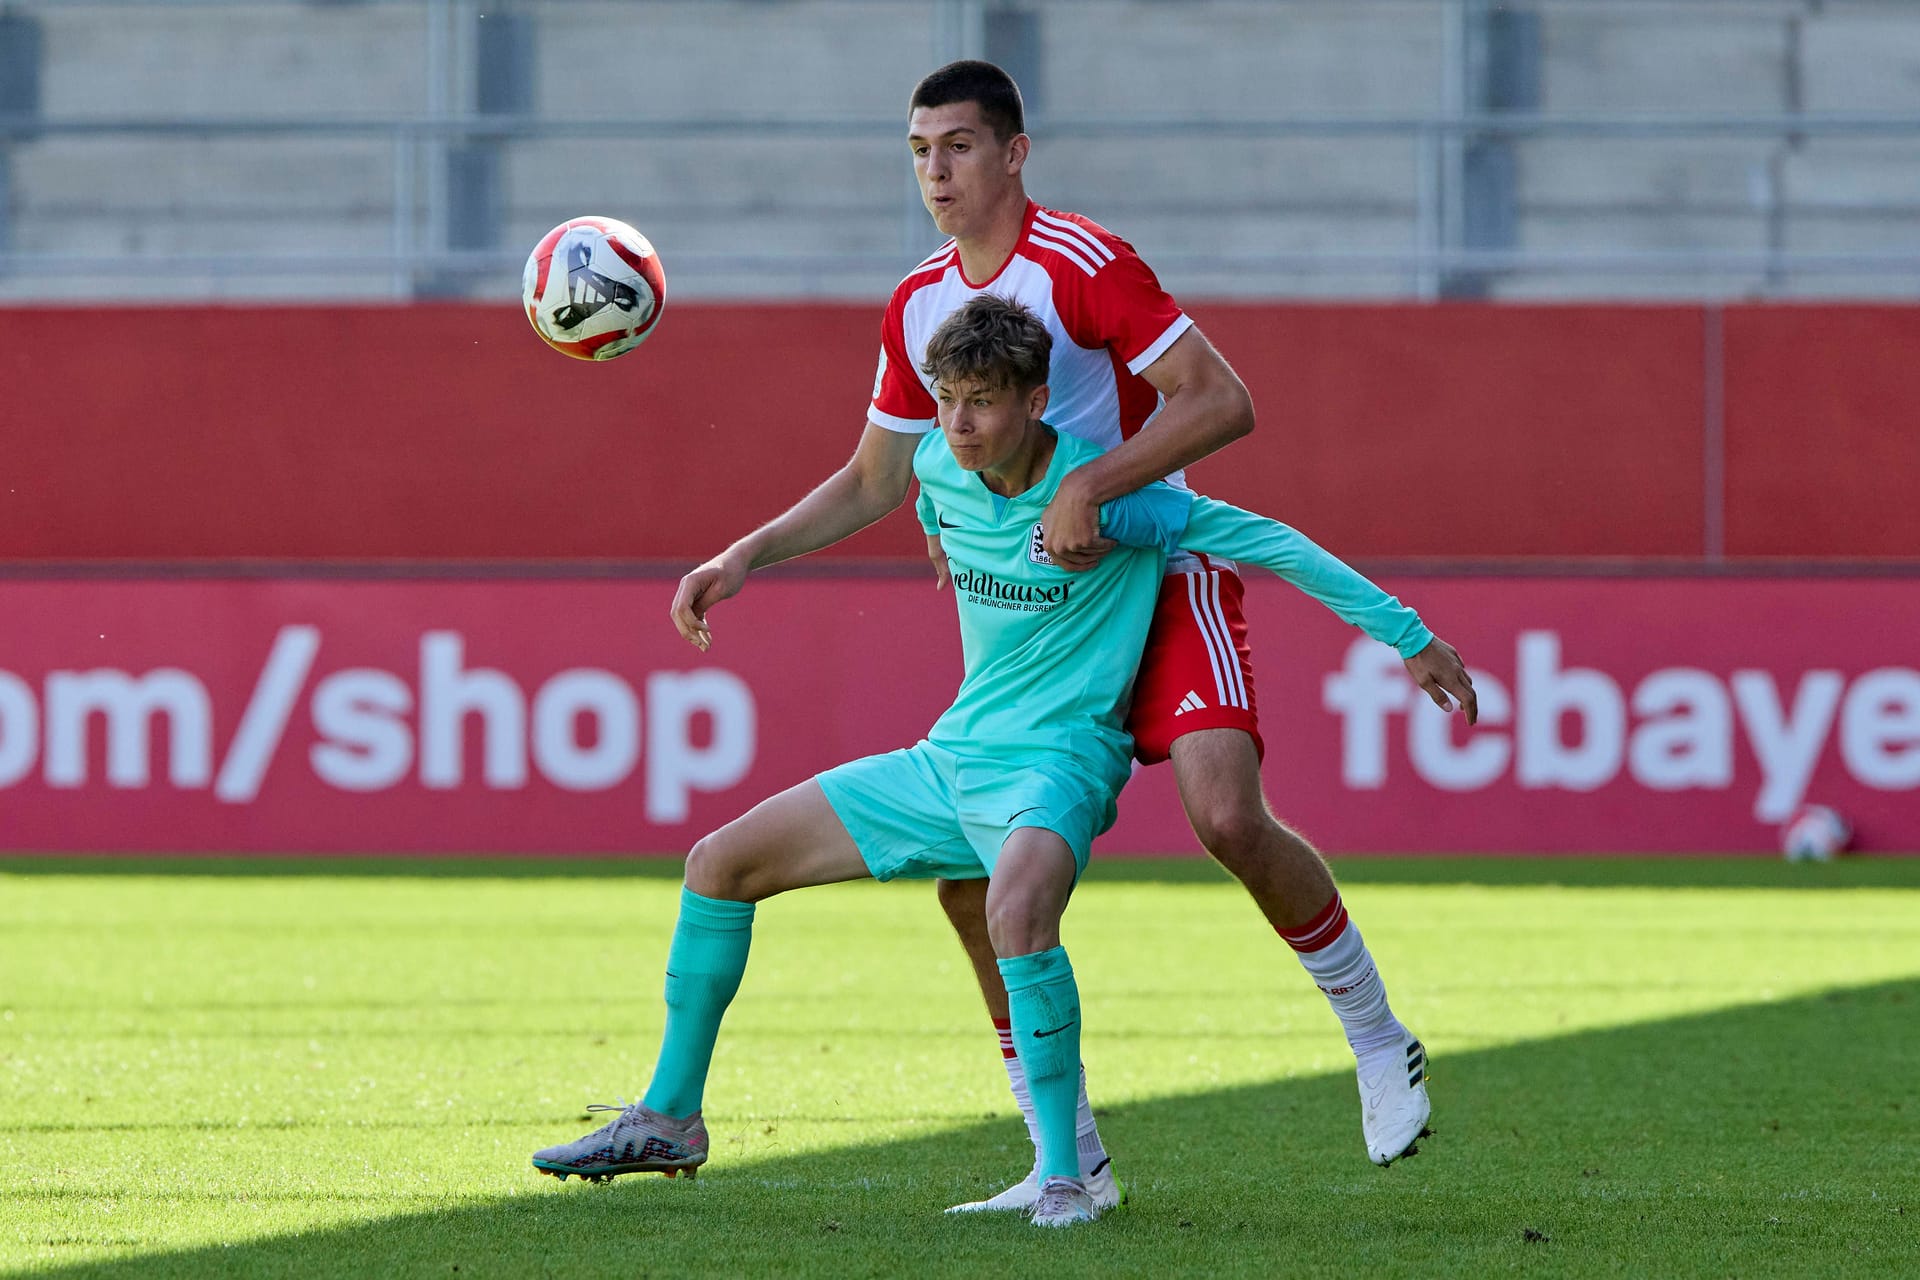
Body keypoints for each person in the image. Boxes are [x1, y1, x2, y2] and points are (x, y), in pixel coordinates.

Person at [666, 61, 1477, 1213]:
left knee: (1225, 811)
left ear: (1013, 152)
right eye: (917, 151)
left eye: (956, 146)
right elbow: (876, 477)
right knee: (969, 887)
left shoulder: (1084, 266)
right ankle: (1070, 1159)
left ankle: (1375, 1032)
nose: (935, 172)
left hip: (1155, 558)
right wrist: (746, 553)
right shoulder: (917, 304)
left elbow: (1222, 400)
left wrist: (1088, 485)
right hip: (1051, 587)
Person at [532, 294, 1473, 1228]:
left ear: (1035, 401)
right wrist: (769, 555)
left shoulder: (1110, 503)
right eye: (945, 401)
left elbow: (1268, 541)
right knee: (716, 864)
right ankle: (670, 1117)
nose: (957, 423)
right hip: (951, 760)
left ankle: (1066, 1180)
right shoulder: (941, 465)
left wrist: (1409, 636)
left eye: (981, 401)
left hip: (1056, 768)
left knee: (1013, 907)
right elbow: (904, 497)